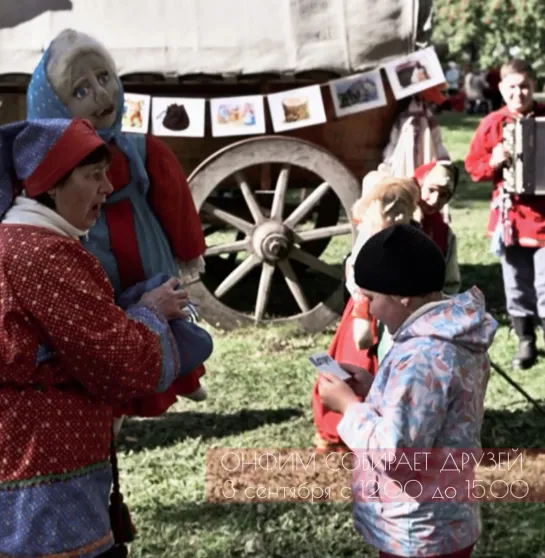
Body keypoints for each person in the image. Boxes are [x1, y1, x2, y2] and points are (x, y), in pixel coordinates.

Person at [0, 117, 188, 557]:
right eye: (92, 175)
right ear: (49, 184)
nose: (107, 187)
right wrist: (151, 312)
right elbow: (120, 364)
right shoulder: (43, 253)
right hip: (42, 486)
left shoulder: (18, 242)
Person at [26, 28, 209, 417]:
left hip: (142, 244)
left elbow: (173, 201)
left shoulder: (143, 150)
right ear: (53, 106)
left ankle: (180, 372)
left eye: (104, 78)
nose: (101, 95)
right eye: (80, 91)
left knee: (162, 308)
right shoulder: (49, 164)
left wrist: (188, 251)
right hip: (88, 249)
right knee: (107, 322)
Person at [318, 223, 498, 558]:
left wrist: (348, 407)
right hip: (445, 519)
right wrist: (376, 388)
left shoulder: (422, 356)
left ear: (402, 295)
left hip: (418, 529)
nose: (369, 310)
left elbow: (396, 457)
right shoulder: (454, 335)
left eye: (371, 298)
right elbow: (435, 410)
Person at [312, 175, 420, 452]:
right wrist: (363, 314)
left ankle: (387, 419)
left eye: (403, 210)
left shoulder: (407, 237)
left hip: (398, 312)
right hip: (371, 312)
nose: (397, 216)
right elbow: (358, 280)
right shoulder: (371, 241)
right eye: (391, 209)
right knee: (359, 363)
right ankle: (346, 426)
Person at [465, 58, 545, 369]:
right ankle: (526, 340)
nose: (519, 93)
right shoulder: (493, 123)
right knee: (515, 281)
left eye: (525, 86)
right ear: (501, 89)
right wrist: (494, 161)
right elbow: (473, 167)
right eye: (512, 87)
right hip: (510, 218)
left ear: (534, 87)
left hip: (544, 217)